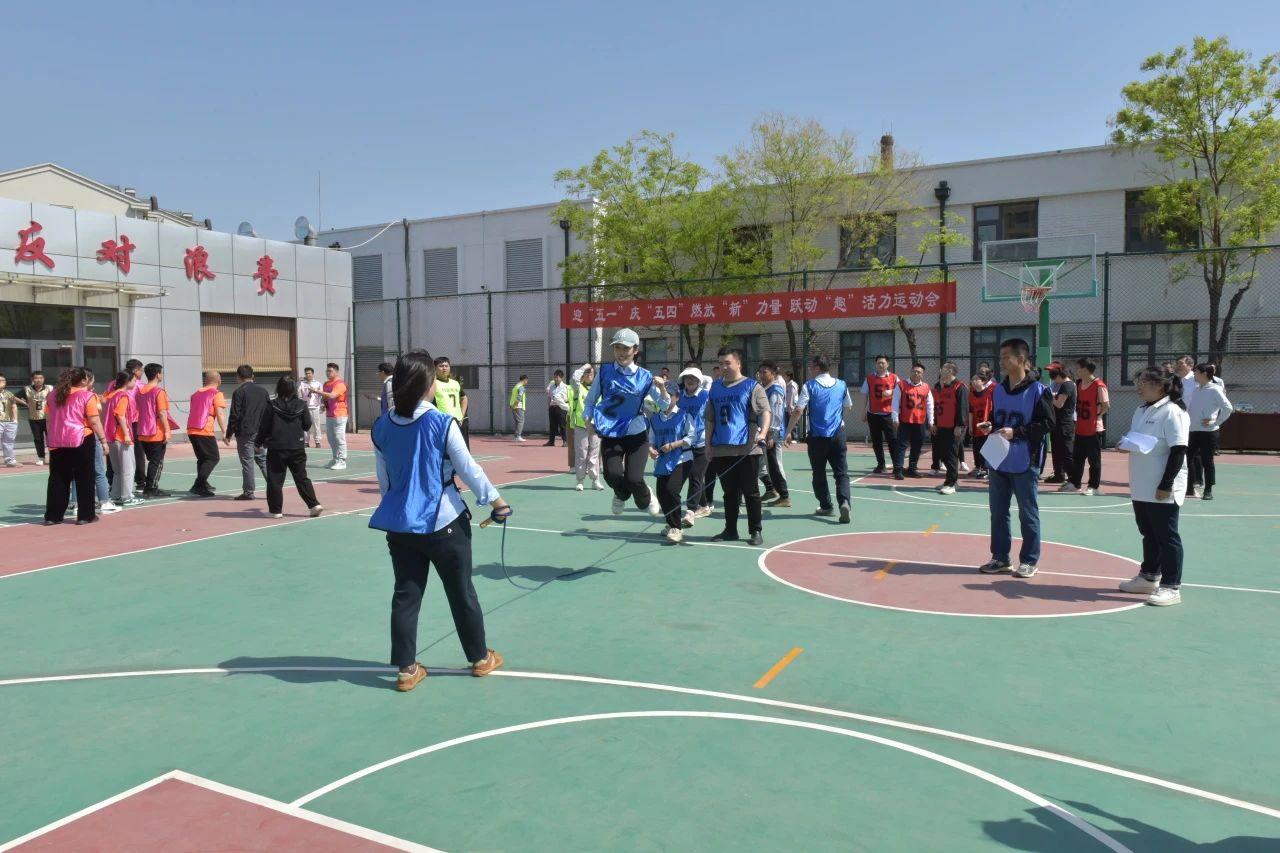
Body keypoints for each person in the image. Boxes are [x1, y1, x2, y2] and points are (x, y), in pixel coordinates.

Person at [369, 349, 508, 692]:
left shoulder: (382, 426)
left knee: (406, 594)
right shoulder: (442, 422)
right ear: (427, 385)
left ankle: (406, 670)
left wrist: (399, 506)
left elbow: (384, 481)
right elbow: (468, 468)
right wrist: (497, 501)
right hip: (445, 523)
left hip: (401, 525)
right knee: (461, 592)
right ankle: (480, 658)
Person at [977, 338, 1054, 579]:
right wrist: (991, 426)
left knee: (1027, 513)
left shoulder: (1039, 391)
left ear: (1020, 360)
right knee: (998, 512)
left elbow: (1047, 424)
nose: (1000, 362)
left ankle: (1029, 560)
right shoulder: (998, 390)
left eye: (1005, 357)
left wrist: (1017, 432)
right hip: (999, 458)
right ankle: (1000, 558)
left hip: (1025, 460)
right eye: (1000, 357)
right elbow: (999, 420)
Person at [1117, 368, 1191, 607]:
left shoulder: (1173, 411)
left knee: (1167, 536)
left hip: (1162, 486)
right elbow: (1139, 439)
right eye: (1138, 381)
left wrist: (1166, 484)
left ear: (1160, 385)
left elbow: (1178, 450)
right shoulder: (1141, 410)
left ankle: (1171, 586)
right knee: (1148, 532)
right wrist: (1126, 443)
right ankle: (1149, 576)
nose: (1138, 387)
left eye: (1144, 382)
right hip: (1142, 484)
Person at [583, 329, 668, 518]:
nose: (621, 352)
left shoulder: (645, 376)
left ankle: (646, 497)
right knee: (612, 475)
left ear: (635, 350)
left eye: (626, 348)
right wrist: (588, 419)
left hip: (636, 435)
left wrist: (662, 389)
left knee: (634, 478)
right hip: (611, 433)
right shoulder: (604, 372)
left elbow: (663, 405)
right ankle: (620, 494)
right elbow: (590, 401)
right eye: (617, 348)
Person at [705, 347, 770, 545]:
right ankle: (730, 530)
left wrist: (762, 434)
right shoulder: (715, 387)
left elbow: (765, 411)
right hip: (721, 448)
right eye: (720, 363)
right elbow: (710, 419)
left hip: (747, 448)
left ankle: (755, 530)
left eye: (727, 363)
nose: (723, 367)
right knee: (729, 493)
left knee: (751, 492)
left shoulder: (752, 386)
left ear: (738, 363)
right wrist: (707, 444)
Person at [786, 355, 852, 522]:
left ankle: (826, 505)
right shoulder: (841, 384)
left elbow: (799, 409)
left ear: (817, 367)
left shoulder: (810, 386)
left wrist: (788, 431)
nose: (810, 369)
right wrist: (838, 420)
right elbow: (848, 406)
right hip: (838, 434)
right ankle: (844, 502)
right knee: (841, 472)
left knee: (818, 472)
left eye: (811, 366)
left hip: (817, 437)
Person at [43, 367, 107, 525]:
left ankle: (53, 516)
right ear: (84, 381)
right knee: (85, 477)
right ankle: (85, 515)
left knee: (58, 478)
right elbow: (94, 421)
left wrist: (50, 436)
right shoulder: (87, 396)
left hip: (57, 440)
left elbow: (48, 419)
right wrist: (103, 440)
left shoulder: (52, 395)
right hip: (81, 438)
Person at [258, 374, 323, 520]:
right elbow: (307, 424)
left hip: (277, 447)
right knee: (301, 477)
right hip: (297, 446)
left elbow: (264, 426)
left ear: (279, 388)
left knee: (275, 479)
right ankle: (314, 504)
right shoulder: (301, 404)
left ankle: (275, 511)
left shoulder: (272, 404)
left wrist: (258, 442)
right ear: (294, 388)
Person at [649, 400, 695, 543]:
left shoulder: (684, 415)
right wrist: (651, 449)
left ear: (676, 397)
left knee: (671, 490)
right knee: (661, 493)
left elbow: (691, 437)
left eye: (671, 395)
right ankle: (670, 524)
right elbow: (651, 439)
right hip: (663, 461)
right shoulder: (655, 419)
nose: (667, 399)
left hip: (682, 458)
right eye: (664, 396)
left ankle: (676, 528)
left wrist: (673, 445)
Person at [1062, 357, 1109, 495]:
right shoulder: (1079, 383)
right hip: (1081, 427)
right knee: (1078, 458)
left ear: (1086, 370)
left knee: (1094, 460)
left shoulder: (1099, 385)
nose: (1077, 371)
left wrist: (1098, 415)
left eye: (1079, 368)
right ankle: (1075, 483)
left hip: (1093, 429)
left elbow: (1106, 405)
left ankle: (1094, 487)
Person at [1186, 363, 1233, 501]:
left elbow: (1228, 408)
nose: (1194, 375)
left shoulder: (1215, 389)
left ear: (1204, 374)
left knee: (1207, 461)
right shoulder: (1196, 390)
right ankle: (1189, 487)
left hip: (1209, 433)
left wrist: (1215, 422)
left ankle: (1208, 490)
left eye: (1196, 372)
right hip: (1193, 431)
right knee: (1187, 458)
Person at [226, 365, 269, 500]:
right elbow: (269, 411)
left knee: (247, 462)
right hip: (261, 431)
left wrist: (228, 433)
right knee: (262, 459)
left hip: (245, 431)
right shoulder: (263, 391)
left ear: (238, 377)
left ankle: (249, 492)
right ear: (253, 376)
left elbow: (234, 415)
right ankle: (274, 487)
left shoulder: (239, 392)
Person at [677, 366, 714, 519]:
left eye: (693, 378)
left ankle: (690, 510)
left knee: (695, 475)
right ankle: (704, 506)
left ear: (699, 381)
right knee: (695, 476)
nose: (690, 380)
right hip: (685, 443)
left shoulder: (706, 396)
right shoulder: (679, 396)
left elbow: (712, 417)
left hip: (702, 442)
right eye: (687, 378)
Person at [107, 359, 147, 495]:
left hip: (112, 429)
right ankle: (131, 491)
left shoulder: (112, 388)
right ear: (135, 372)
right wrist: (126, 434)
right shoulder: (129, 391)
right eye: (141, 370)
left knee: (116, 466)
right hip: (127, 426)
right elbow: (121, 415)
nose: (141, 373)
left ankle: (115, 491)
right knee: (131, 462)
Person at [930, 362, 969, 496]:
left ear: (950, 371)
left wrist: (959, 425)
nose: (941, 370)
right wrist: (935, 423)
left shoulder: (960, 387)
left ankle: (951, 484)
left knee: (951, 455)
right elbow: (938, 407)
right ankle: (950, 481)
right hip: (942, 425)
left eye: (944, 369)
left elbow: (963, 408)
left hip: (953, 427)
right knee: (944, 454)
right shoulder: (942, 387)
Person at [133, 363, 171, 497]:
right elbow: (162, 412)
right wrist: (167, 430)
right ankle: (151, 487)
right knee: (157, 461)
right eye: (161, 373)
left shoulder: (140, 391)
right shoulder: (158, 392)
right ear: (157, 375)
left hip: (142, 430)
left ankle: (149, 486)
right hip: (155, 431)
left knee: (152, 461)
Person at [187, 371, 227, 498]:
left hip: (191, 429)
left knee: (202, 458)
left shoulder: (195, 394)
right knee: (213, 458)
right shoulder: (217, 394)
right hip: (204, 429)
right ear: (219, 381)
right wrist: (225, 431)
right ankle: (198, 485)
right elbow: (220, 414)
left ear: (205, 380)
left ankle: (203, 483)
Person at [103, 372, 140, 507]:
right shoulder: (123, 396)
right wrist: (126, 434)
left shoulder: (110, 395)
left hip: (110, 435)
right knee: (128, 469)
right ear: (127, 381)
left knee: (118, 470)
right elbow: (120, 415)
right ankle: (126, 496)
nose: (135, 383)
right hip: (120, 435)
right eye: (134, 380)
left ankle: (116, 495)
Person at [859, 355, 900, 477]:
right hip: (873, 414)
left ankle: (897, 466)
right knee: (876, 442)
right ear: (875, 364)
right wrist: (863, 411)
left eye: (883, 363)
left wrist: (891, 392)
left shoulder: (894, 377)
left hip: (888, 414)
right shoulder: (869, 378)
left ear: (888, 364)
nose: (880, 365)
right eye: (878, 363)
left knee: (892, 441)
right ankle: (881, 465)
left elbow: (901, 391)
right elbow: (865, 395)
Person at [757, 361, 790, 507]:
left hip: (772, 433)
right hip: (764, 432)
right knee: (766, 464)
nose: (762, 375)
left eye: (765, 372)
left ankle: (784, 496)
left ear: (773, 373)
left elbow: (775, 414)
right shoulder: (764, 388)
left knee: (775, 464)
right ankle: (773, 490)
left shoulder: (775, 390)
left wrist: (770, 434)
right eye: (760, 372)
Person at [892, 363, 933, 477]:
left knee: (917, 446)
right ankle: (898, 469)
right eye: (914, 371)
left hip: (920, 421)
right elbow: (895, 402)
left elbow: (930, 405)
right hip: (905, 420)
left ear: (922, 374)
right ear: (910, 372)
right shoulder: (901, 385)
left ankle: (912, 468)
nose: (916, 373)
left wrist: (931, 421)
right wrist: (895, 417)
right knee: (901, 446)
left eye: (919, 372)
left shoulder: (926, 387)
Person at [568, 365, 601, 491]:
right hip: (581, 425)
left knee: (594, 453)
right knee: (581, 453)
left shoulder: (599, 389)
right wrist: (584, 367)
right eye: (586, 373)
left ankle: (595, 480)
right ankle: (580, 480)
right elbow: (574, 379)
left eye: (591, 373)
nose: (588, 375)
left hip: (595, 425)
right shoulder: (578, 388)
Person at [311, 362, 349, 468]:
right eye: (327, 371)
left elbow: (332, 395)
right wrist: (323, 404)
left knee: (339, 437)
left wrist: (316, 391)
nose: (328, 373)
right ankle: (335, 459)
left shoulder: (340, 384)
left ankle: (342, 461)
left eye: (330, 371)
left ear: (336, 372)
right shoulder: (326, 384)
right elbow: (326, 398)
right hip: (330, 414)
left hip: (340, 414)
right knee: (331, 438)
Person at [1045, 363, 1077, 484]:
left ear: (1059, 374)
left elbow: (1059, 404)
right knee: (1056, 450)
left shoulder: (1067, 385)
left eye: (1053, 374)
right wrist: (1054, 395)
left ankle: (1073, 479)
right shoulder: (1064, 385)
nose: (1052, 377)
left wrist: (1049, 395)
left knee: (1066, 452)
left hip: (1065, 424)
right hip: (1057, 423)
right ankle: (1058, 475)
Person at [432, 357, 469, 448]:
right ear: (435, 368)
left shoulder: (455, 383)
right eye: (441, 366)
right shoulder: (432, 384)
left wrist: (462, 415)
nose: (444, 368)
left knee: (462, 449)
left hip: (458, 421)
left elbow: (464, 398)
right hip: (443, 422)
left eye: (446, 366)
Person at [968, 373, 994, 480]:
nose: (973, 382)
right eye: (972, 380)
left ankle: (986, 468)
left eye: (976, 379)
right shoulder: (971, 394)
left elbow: (992, 409)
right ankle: (978, 467)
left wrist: (991, 423)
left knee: (985, 447)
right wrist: (970, 426)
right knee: (976, 447)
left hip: (986, 425)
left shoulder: (989, 393)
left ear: (983, 381)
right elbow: (970, 412)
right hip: (976, 424)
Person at [22, 371, 51, 466]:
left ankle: (53, 457)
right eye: (36, 378)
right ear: (32, 379)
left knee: (51, 438)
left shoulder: (50, 388)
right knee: (38, 439)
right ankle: (41, 458)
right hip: (34, 418)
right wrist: (26, 403)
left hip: (48, 418)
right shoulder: (27, 389)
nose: (39, 380)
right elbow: (14, 397)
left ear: (44, 379)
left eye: (41, 378)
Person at [299, 367, 325, 449]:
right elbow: (299, 395)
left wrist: (322, 405)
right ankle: (306, 442)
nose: (308, 375)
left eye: (309, 373)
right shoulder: (302, 384)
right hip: (305, 407)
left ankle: (317, 441)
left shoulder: (318, 383)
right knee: (305, 425)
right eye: (306, 373)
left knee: (316, 425)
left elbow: (322, 395)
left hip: (315, 407)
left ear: (313, 374)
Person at [545, 369, 570, 446]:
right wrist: (549, 406)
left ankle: (565, 441)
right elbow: (549, 397)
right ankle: (551, 441)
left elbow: (567, 398)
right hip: (552, 407)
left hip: (561, 408)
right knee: (552, 425)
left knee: (562, 425)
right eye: (554, 377)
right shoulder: (551, 386)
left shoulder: (565, 387)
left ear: (561, 377)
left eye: (557, 377)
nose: (555, 379)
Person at [0, 374, 18, 467]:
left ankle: (10, 461)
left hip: (9, 421)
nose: (2, 382)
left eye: (4, 380)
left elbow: (14, 406)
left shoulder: (9, 393)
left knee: (9, 442)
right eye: (0, 380)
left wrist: (15, 420)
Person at [509, 374, 528, 442]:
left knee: (517, 421)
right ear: (524, 380)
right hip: (518, 406)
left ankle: (516, 436)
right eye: (527, 380)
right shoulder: (521, 387)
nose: (527, 382)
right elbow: (519, 397)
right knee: (521, 421)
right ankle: (518, 436)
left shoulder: (516, 386)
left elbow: (513, 396)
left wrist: (512, 405)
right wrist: (515, 404)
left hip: (514, 406)